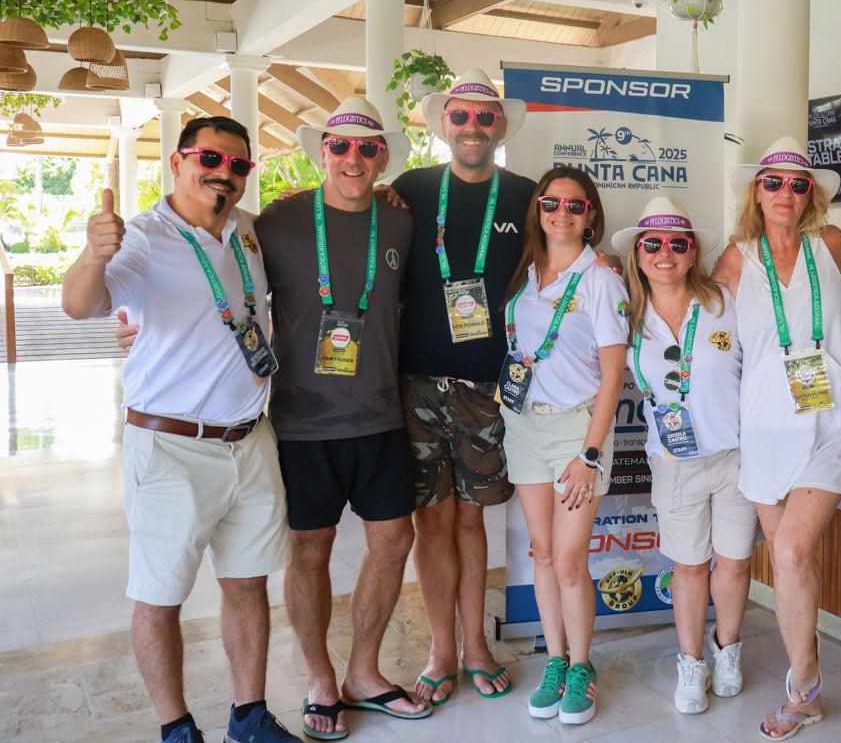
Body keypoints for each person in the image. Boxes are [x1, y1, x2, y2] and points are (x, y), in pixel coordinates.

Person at [61, 117, 300, 743]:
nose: (223, 174)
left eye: (238, 165)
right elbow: (80, 305)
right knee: (160, 595)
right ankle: (175, 727)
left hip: (249, 439)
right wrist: (93, 254)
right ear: (177, 161)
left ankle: (248, 716)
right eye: (209, 159)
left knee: (247, 585)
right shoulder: (141, 237)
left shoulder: (250, 232)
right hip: (170, 445)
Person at [258, 98, 426, 739]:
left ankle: (363, 672)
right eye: (340, 146)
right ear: (321, 152)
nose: (353, 159)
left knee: (394, 541)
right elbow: (226, 281)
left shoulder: (400, 221)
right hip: (302, 422)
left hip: (380, 415)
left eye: (367, 148)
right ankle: (319, 678)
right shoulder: (278, 221)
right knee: (309, 549)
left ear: (382, 158)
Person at [711, 137, 841, 740]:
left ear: (811, 196)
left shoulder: (832, 245)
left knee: (794, 550)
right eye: (773, 182)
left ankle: (802, 686)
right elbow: (699, 321)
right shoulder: (736, 258)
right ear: (757, 191)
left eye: (798, 184)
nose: (785, 192)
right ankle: (810, 689)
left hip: (833, 419)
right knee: (785, 559)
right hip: (765, 425)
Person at [392, 67, 532, 705]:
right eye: (461, 115)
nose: (473, 126)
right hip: (416, 381)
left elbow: (559, 255)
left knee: (472, 521)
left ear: (499, 128)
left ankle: (476, 645)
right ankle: (440, 650)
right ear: (443, 124)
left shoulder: (526, 196)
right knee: (432, 522)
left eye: (484, 116)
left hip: (487, 385)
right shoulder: (409, 190)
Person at [612, 196, 756, 715]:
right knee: (690, 566)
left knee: (735, 561)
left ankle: (727, 650)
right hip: (674, 463)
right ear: (638, 254)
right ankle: (691, 663)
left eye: (677, 243)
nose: (665, 253)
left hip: (737, 456)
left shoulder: (725, 301)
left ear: (693, 252)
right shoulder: (626, 316)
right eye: (652, 244)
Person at [499, 167, 627, 726]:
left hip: (578, 432)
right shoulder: (525, 271)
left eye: (575, 206)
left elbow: (613, 376)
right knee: (544, 553)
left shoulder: (601, 279)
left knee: (572, 561)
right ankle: (554, 660)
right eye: (552, 204)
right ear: (538, 209)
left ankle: (581, 666)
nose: (562, 214)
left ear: (590, 214)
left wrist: (591, 453)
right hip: (524, 425)